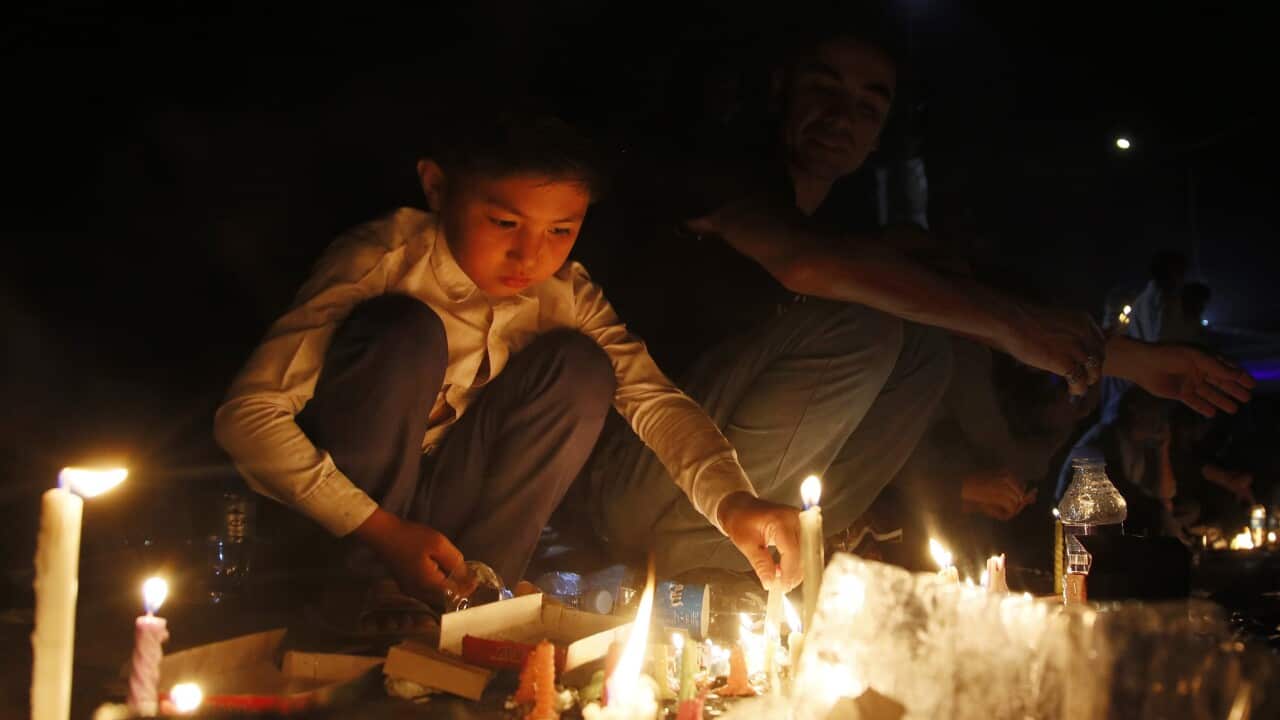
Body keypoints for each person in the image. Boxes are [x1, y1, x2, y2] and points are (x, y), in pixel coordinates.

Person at [584, 9, 1257, 581]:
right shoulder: (722, 176)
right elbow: (808, 263)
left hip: (721, 509)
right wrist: (1013, 326)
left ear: (880, 129)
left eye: (868, 104)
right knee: (870, 323)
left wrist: (1130, 362)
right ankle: (704, 563)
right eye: (823, 86)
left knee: (922, 348)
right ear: (780, 87)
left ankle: (779, 564)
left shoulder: (855, 234)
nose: (842, 115)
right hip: (635, 477)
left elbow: (951, 295)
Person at [214, 112, 804, 608]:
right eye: (504, 223)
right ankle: (366, 599)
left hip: (452, 521)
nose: (530, 255)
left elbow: (655, 402)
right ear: (437, 187)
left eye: (560, 231)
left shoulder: (565, 295)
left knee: (581, 368)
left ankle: (480, 595)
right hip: (347, 520)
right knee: (405, 334)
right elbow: (248, 418)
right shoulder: (383, 258)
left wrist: (733, 503)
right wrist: (383, 533)